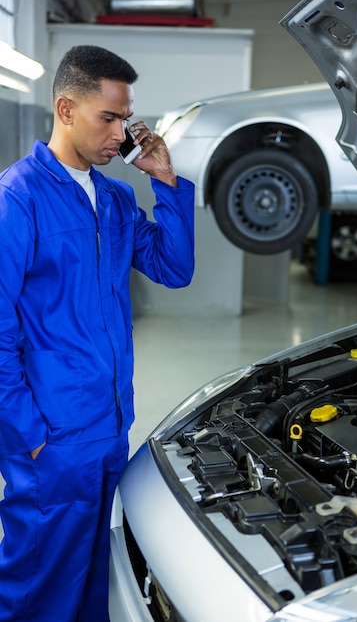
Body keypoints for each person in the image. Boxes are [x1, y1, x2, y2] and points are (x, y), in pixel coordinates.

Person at [0, 45, 194, 621]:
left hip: (110, 426)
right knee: (38, 589)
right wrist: (28, 433)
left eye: (124, 118)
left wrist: (164, 180)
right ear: (65, 108)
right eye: (106, 118)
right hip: (51, 439)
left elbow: (174, 269)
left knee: (91, 584)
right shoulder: (18, 200)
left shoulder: (113, 198)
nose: (120, 134)